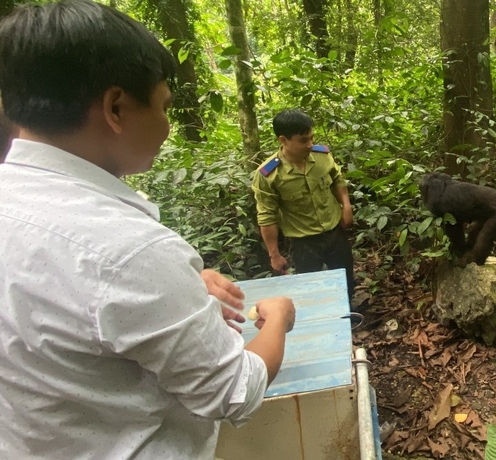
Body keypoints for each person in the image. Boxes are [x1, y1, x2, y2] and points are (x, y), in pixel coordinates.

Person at [0, 1, 295, 459]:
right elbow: (234, 391)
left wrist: (181, 289)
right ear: (116, 108)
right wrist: (278, 317)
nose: (166, 126)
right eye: (163, 106)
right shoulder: (129, 251)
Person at [252, 109, 356, 299]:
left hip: (335, 232)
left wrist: (346, 206)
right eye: (303, 140)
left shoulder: (322, 156)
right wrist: (274, 255)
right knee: (310, 290)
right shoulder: (268, 174)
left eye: (311, 138)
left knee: (346, 279)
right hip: (303, 242)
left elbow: (337, 179)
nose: (310, 145)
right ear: (283, 140)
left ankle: (349, 316)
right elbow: (267, 216)